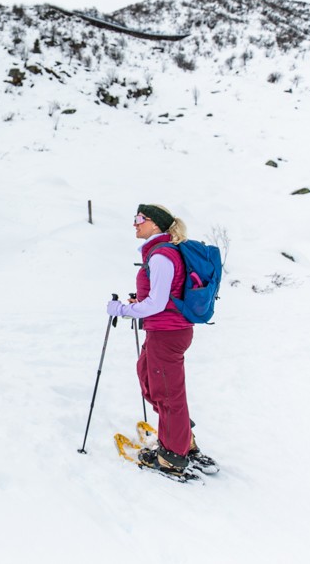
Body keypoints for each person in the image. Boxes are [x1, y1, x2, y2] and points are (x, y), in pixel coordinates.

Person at [105, 204, 203, 476]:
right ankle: (182, 439)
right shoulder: (160, 254)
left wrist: (123, 310)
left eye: (140, 219)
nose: (135, 223)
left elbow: (157, 304)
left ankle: (172, 457)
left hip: (167, 332)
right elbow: (161, 297)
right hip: (164, 330)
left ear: (156, 224)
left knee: (167, 393)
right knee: (150, 380)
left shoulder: (161, 256)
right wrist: (141, 303)